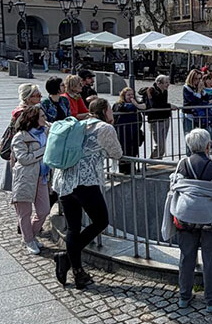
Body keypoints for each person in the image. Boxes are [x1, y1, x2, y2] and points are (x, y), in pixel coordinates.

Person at [52, 97, 123, 290]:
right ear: (104, 111)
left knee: (73, 228)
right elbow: (117, 153)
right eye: (110, 110)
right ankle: (67, 259)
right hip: (86, 181)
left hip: (65, 180)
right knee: (101, 221)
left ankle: (76, 271)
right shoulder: (105, 128)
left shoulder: (80, 124)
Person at [162, 128, 212, 313]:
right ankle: (211, 300)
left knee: (186, 256)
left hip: (185, 217)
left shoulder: (182, 164)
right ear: (208, 145)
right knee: (210, 258)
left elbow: (176, 185)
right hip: (210, 219)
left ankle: (184, 297)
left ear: (189, 145)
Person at [11, 105, 51, 255]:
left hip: (42, 177)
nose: (44, 119)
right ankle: (28, 240)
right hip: (25, 178)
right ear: (33, 118)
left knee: (44, 210)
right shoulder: (20, 137)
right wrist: (44, 150)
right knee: (24, 212)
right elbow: (24, 159)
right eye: (42, 116)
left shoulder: (45, 131)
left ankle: (30, 236)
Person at [112, 87, 146, 173]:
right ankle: (124, 170)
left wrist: (137, 105)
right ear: (123, 96)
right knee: (124, 151)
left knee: (133, 151)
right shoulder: (118, 104)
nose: (131, 96)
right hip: (123, 133)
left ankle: (132, 169)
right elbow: (124, 108)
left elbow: (145, 106)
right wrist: (135, 105)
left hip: (134, 132)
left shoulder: (136, 103)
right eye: (128, 95)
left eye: (132, 95)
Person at [144, 75, 172, 159]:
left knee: (162, 146)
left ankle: (158, 161)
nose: (168, 84)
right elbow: (154, 105)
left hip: (165, 118)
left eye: (168, 82)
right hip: (155, 120)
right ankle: (151, 162)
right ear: (159, 83)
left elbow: (163, 104)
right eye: (166, 83)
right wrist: (169, 106)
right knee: (159, 145)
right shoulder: (151, 91)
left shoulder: (165, 91)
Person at [183, 69, 210, 136]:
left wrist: (202, 90)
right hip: (189, 115)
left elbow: (206, 99)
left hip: (199, 115)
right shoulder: (186, 88)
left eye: (199, 79)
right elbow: (193, 101)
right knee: (190, 135)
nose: (197, 81)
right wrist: (198, 92)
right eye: (196, 79)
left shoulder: (198, 87)